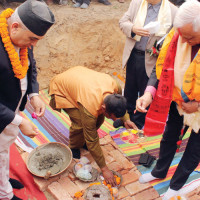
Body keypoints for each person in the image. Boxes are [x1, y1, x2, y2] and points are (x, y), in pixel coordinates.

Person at [136, 1, 200, 199]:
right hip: (177, 100)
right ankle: (159, 172)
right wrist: (149, 93)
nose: (184, 40)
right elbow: (162, 66)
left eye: (190, 37)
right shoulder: (178, 35)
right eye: (182, 35)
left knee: (194, 149)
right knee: (169, 136)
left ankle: (177, 183)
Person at [0, 0, 55, 199]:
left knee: (4, 148)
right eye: (33, 39)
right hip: (3, 113)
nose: (34, 45)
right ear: (14, 27)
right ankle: (5, 194)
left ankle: (3, 179)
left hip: (11, 110)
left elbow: (30, 66)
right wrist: (20, 121)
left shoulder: (23, 39)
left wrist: (34, 94)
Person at [49, 66, 136, 186]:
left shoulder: (115, 86)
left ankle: (81, 141)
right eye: (112, 117)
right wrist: (104, 169)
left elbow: (119, 105)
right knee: (80, 123)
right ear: (104, 108)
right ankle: (74, 146)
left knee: (98, 119)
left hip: (80, 78)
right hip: (61, 87)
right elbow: (92, 139)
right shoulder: (90, 106)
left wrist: (126, 119)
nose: (114, 120)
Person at [117, 0, 177, 130]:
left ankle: (138, 123)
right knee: (129, 90)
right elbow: (122, 22)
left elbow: (174, 38)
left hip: (152, 59)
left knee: (146, 91)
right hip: (133, 54)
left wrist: (164, 48)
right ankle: (125, 118)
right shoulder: (136, 3)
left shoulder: (172, 11)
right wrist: (133, 28)